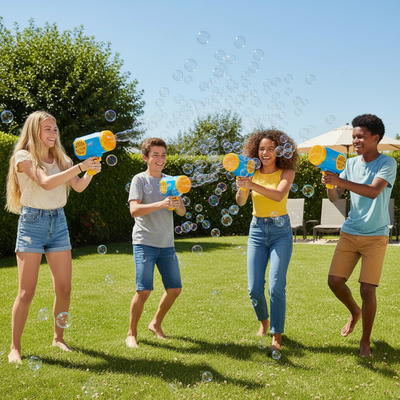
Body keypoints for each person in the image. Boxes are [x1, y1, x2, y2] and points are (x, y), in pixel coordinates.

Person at [6, 111, 101, 363]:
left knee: (64, 288)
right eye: (47, 129)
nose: (53, 133)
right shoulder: (23, 156)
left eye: (55, 129)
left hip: (58, 222)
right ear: (34, 131)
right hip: (32, 224)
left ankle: (59, 338)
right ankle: (15, 347)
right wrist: (81, 166)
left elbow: (78, 186)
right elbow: (46, 182)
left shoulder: (61, 158)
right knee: (26, 291)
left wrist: (90, 170)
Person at [322, 114, 397, 357]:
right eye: (354, 137)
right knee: (334, 281)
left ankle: (365, 341)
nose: (356, 141)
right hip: (350, 232)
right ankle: (356, 312)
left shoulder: (388, 163)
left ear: (375, 138)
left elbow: (373, 191)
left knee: (367, 288)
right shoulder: (350, 165)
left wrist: (341, 180)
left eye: (361, 136)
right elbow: (335, 198)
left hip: (375, 235)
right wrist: (331, 183)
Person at [236, 130, 299, 352]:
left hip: (280, 230)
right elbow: (242, 201)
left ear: (280, 151)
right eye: (261, 149)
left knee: (276, 287)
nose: (265, 153)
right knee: (254, 288)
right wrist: (242, 186)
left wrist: (251, 185)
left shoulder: (286, 172)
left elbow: (278, 195)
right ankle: (264, 322)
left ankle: (276, 335)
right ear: (255, 151)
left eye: (270, 149)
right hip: (256, 230)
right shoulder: (250, 173)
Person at [126, 137, 186, 348]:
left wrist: (177, 204)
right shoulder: (139, 180)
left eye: (163, 155)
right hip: (145, 242)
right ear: (145, 158)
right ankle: (131, 333)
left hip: (166, 243)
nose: (160, 159)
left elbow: (181, 211)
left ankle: (155, 323)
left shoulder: (171, 180)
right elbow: (134, 210)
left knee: (175, 289)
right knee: (143, 290)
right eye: (155, 155)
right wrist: (161, 203)